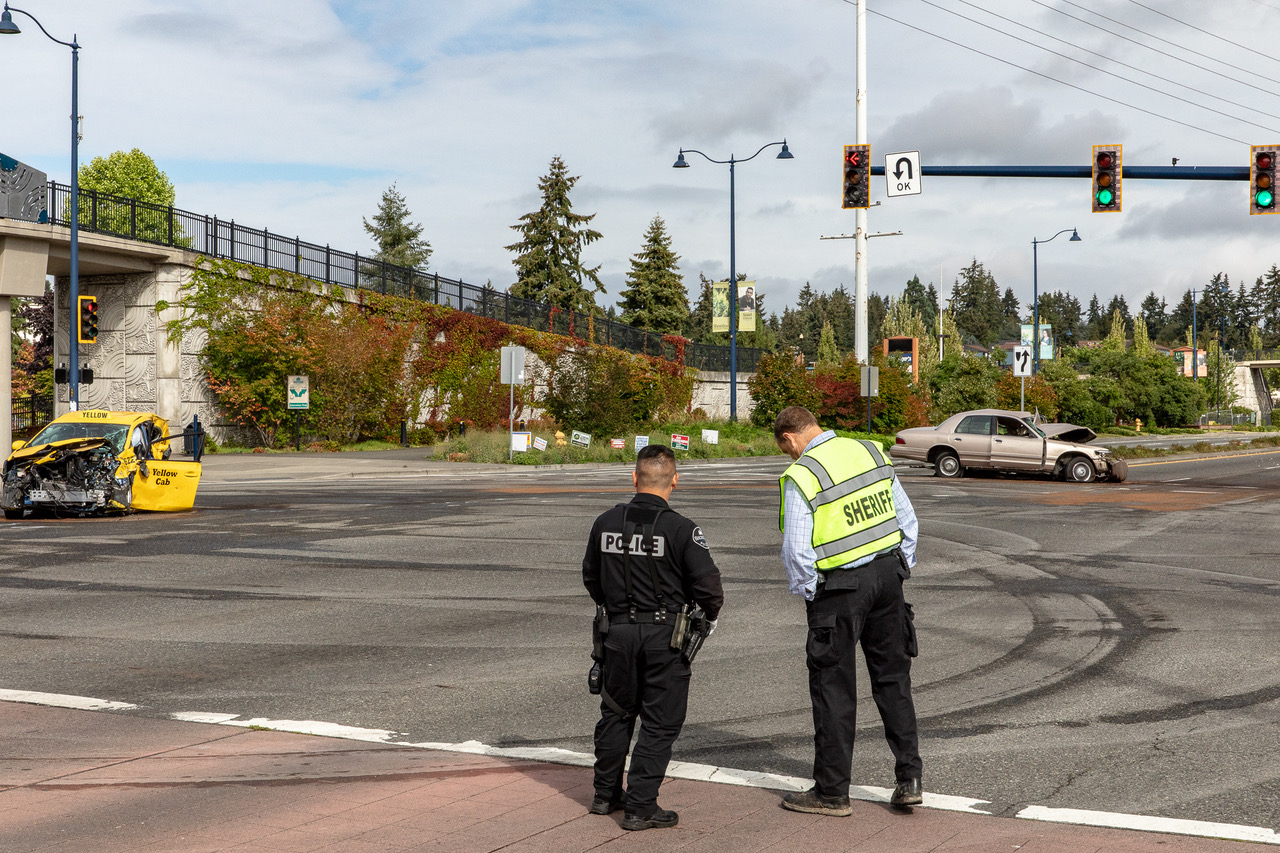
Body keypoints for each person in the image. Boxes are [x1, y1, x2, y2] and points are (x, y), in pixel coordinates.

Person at [773, 405, 923, 816]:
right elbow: (907, 520)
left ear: (789, 439)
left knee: (834, 688)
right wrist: (897, 566)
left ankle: (832, 792)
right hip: (888, 577)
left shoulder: (802, 474)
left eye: (787, 449)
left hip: (838, 589)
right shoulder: (870, 451)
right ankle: (909, 778)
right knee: (893, 680)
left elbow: (798, 550)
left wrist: (811, 596)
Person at [582, 444, 724, 831]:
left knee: (616, 712)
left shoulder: (605, 522)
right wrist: (706, 616)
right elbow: (709, 587)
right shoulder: (681, 528)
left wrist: (616, 606)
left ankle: (604, 794)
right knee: (660, 722)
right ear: (675, 481)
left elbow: (592, 578)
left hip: (617, 632)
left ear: (634, 478)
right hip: (666, 636)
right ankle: (640, 806)